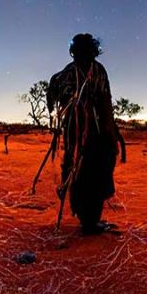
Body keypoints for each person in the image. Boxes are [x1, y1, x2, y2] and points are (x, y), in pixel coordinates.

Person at [47, 33, 120, 235]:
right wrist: (111, 136)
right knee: (90, 172)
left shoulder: (67, 73)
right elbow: (106, 107)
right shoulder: (95, 71)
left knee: (79, 169)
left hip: (77, 132)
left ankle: (85, 217)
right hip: (91, 132)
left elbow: (53, 97)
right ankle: (89, 221)